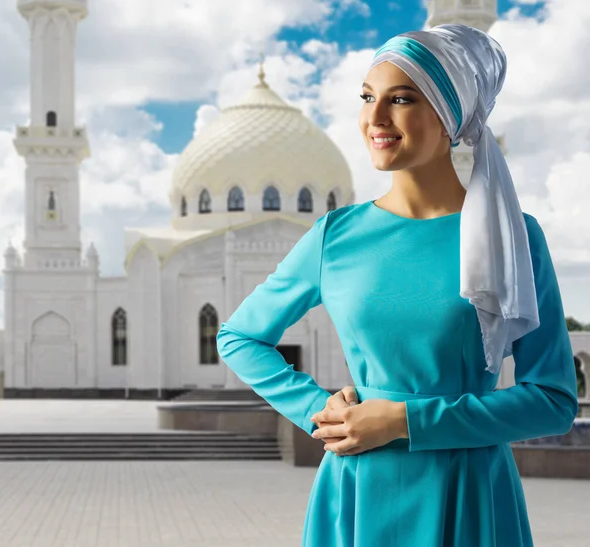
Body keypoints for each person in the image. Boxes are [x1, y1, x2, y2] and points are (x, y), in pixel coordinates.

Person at [216, 23, 579, 547]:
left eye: (401, 99)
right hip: (358, 487)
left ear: (449, 116)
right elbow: (239, 337)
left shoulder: (512, 237)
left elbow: (551, 399)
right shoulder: (335, 237)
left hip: (466, 490)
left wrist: (406, 420)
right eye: (367, 97)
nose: (375, 118)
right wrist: (317, 409)